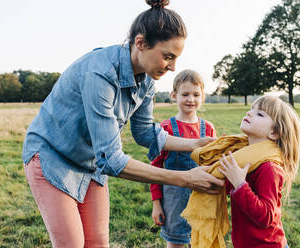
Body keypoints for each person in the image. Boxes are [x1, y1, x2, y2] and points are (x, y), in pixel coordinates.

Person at [22, 1, 223, 247]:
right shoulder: (100, 74)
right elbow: (111, 159)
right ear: (141, 43)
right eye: (168, 56)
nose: (173, 67)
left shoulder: (147, 80)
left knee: (98, 243)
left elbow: (145, 133)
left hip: (89, 165)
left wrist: (196, 143)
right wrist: (184, 178)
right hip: (52, 157)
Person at [218, 95, 300, 248]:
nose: (249, 113)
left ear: (274, 133)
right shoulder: (246, 157)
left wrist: (239, 184)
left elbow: (266, 217)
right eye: (251, 109)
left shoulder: (269, 168)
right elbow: (230, 190)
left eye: (260, 114)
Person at [150, 69, 216, 247]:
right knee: (176, 243)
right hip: (174, 202)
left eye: (196, 94)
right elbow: (155, 167)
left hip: (202, 199)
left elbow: (213, 165)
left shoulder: (208, 128)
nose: (191, 99)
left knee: (201, 242)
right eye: (185, 94)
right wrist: (157, 204)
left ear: (203, 96)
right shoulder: (166, 128)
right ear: (174, 95)